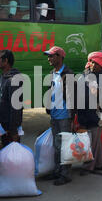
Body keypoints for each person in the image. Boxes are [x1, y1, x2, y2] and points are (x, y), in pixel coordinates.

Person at [44, 46, 76, 186]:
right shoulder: (53, 73)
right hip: (55, 114)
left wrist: (73, 117)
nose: (49, 58)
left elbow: (73, 96)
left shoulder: (68, 74)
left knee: (65, 145)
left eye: (52, 56)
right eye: (49, 56)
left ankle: (66, 174)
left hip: (64, 115)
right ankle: (58, 170)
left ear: (60, 57)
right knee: (56, 145)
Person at [79, 52, 102, 175]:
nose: (92, 64)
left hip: (96, 112)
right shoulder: (87, 74)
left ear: (101, 64)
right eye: (91, 62)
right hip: (86, 111)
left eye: (94, 62)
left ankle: (89, 166)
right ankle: (100, 163)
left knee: (93, 141)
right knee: (94, 140)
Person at [0, 50, 23, 147]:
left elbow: (16, 106)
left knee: (13, 158)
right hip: (3, 126)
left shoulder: (14, 80)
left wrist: (13, 130)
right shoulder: (3, 76)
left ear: (5, 61)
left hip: (10, 128)